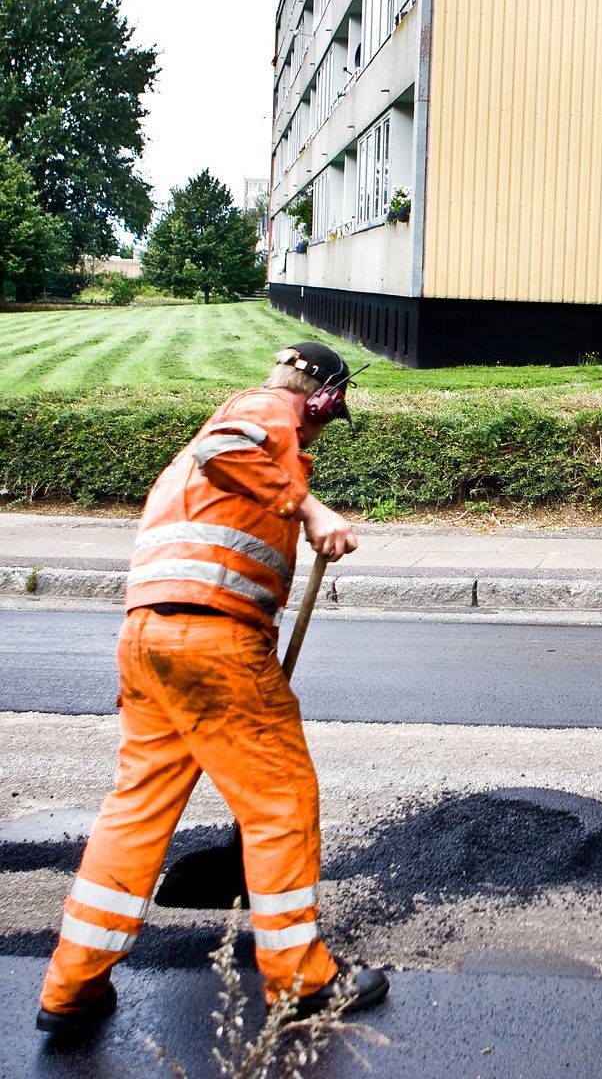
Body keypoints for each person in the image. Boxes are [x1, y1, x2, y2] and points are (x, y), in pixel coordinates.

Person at [36, 342, 388, 1034]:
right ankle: (301, 980)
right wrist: (310, 510)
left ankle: (71, 987)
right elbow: (227, 448)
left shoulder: (196, 464)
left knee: (136, 811)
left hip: (149, 643)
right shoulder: (263, 412)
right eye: (327, 415)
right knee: (281, 800)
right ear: (320, 397)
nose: (320, 432)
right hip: (213, 647)